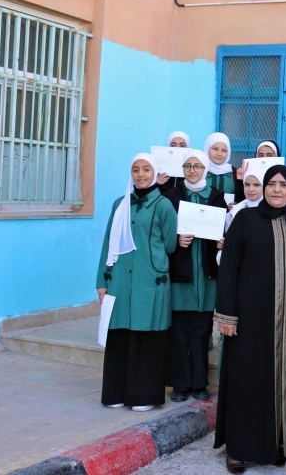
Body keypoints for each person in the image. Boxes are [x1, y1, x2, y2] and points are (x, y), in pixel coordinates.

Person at [214, 165, 286, 472]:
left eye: (283, 185)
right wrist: (227, 315)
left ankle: (280, 444)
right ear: (263, 187)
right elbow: (229, 268)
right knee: (248, 382)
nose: (276, 190)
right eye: (271, 184)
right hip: (250, 322)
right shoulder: (245, 220)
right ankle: (239, 449)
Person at [96, 153, 177, 411]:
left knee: (147, 337)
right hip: (120, 279)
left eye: (146, 169)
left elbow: (170, 245)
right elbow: (108, 242)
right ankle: (116, 393)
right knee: (120, 336)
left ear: (155, 172)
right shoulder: (120, 204)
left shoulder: (164, 205)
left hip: (150, 279)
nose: (141, 174)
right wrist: (101, 280)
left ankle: (143, 396)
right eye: (136, 170)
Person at [164, 149, 227, 403]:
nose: (192, 170)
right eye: (188, 166)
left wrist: (222, 242)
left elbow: (225, 230)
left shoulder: (217, 197)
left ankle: (200, 382)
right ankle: (180, 383)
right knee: (179, 331)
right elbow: (163, 231)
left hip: (206, 274)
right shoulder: (172, 197)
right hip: (181, 273)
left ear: (205, 170)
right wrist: (176, 239)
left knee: (201, 331)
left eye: (197, 166)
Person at [204, 133, 238, 197]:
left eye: (224, 150)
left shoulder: (235, 173)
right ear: (207, 149)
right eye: (215, 149)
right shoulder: (199, 170)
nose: (219, 154)